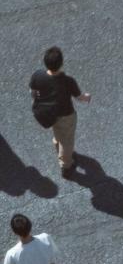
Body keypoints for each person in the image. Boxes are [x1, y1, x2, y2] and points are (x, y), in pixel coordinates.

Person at [29, 46, 90, 177]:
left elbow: (33, 93)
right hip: (65, 115)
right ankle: (66, 165)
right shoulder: (68, 81)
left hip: (49, 113)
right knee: (67, 141)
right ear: (61, 63)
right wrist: (87, 97)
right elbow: (79, 97)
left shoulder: (37, 75)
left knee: (58, 133)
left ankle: (58, 144)